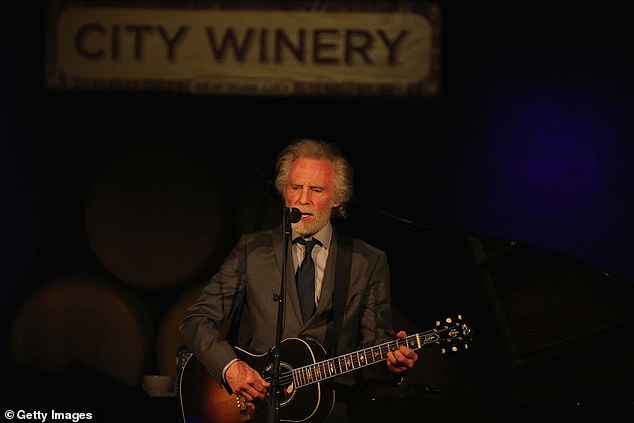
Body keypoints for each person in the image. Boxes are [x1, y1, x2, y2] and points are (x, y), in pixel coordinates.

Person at [179, 138, 419, 423]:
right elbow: (196, 321)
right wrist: (230, 367)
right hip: (260, 409)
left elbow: (376, 342)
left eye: (316, 189)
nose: (303, 199)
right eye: (295, 188)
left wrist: (394, 361)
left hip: (332, 411)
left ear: (337, 197)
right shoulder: (252, 250)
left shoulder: (368, 260)